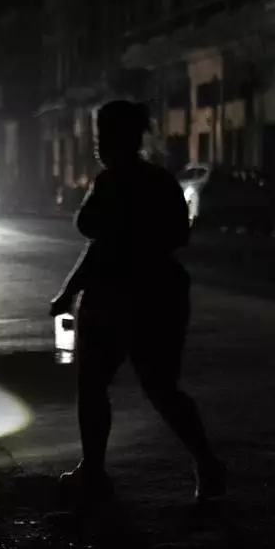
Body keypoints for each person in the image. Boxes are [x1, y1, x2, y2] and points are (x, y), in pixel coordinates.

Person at [49, 100, 226, 501]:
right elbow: (175, 236)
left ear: (111, 139)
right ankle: (206, 462)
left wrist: (72, 292)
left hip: (115, 296)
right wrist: (70, 290)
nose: (97, 145)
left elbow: (94, 235)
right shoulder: (161, 181)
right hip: (161, 292)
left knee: (93, 385)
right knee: (162, 388)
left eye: (100, 137)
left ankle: (93, 471)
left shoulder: (111, 181)